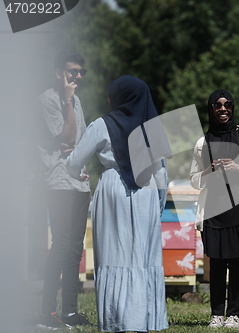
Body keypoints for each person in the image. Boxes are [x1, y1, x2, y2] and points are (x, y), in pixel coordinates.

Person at [66, 75, 169, 333]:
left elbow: (74, 162)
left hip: (113, 190)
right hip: (146, 191)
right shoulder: (153, 129)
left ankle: (117, 320)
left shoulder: (102, 124)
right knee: (142, 257)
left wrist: (78, 173)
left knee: (115, 253)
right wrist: (157, 207)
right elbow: (161, 175)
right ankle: (143, 319)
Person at [190, 89, 239, 329]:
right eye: (218, 105)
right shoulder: (202, 142)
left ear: (233, 108)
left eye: (228, 105)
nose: (223, 109)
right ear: (211, 109)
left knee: (237, 264)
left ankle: (233, 314)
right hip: (214, 211)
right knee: (216, 265)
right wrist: (208, 172)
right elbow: (194, 179)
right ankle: (216, 314)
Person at [36, 50, 94, 329]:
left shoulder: (78, 101)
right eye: (73, 71)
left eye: (81, 72)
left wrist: (78, 157)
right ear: (59, 72)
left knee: (75, 249)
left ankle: (70, 313)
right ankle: (47, 314)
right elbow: (69, 137)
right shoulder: (48, 100)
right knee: (60, 246)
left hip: (79, 183)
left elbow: (77, 143)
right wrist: (68, 102)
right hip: (58, 182)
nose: (78, 77)